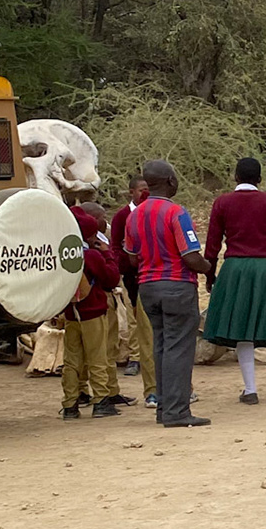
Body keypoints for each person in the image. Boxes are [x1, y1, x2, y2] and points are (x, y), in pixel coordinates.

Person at [121, 160, 214, 427]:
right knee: (179, 348)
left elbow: (130, 257)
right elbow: (191, 256)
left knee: (161, 346)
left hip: (147, 287)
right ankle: (177, 411)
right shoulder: (176, 213)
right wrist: (209, 269)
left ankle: (164, 407)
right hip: (177, 285)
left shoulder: (134, 215)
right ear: (171, 182)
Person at [203, 157, 266, 404]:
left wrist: (210, 274)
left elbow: (213, 243)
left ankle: (250, 390)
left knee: (241, 328)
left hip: (235, 269)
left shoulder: (222, 202)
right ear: (259, 179)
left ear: (235, 177)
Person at [59, 205, 122, 419]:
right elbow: (111, 278)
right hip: (93, 312)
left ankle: (70, 404)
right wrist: (108, 255)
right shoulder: (92, 255)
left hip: (70, 312)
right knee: (97, 357)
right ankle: (101, 401)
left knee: (71, 359)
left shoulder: (62, 255)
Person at [107, 173, 156, 404]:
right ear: (131, 192)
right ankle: (136, 357)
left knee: (150, 322)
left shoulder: (155, 211)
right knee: (135, 318)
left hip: (150, 273)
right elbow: (116, 245)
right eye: (140, 189)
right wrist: (123, 264)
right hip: (132, 275)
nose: (144, 193)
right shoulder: (122, 216)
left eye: (148, 188)